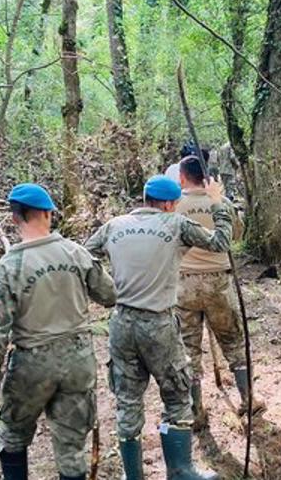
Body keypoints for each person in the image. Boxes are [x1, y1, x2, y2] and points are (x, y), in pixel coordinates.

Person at [85, 175, 229, 480]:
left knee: (127, 398)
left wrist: (107, 291)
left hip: (122, 323)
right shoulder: (175, 224)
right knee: (176, 394)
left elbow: (85, 259)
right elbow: (221, 243)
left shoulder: (114, 226)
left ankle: (132, 475)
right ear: (167, 203)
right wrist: (218, 204)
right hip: (159, 323)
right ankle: (180, 470)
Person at [0, 183, 117, 480]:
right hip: (78, 358)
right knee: (71, 443)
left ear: (15, 218)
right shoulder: (76, 253)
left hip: (32, 363)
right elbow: (109, 294)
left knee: (13, 435)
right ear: (48, 214)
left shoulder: (9, 266)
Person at [175, 156, 264, 429]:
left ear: (181, 178)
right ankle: (248, 399)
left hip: (185, 284)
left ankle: (196, 411)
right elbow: (236, 235)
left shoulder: (174, 206)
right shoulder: (220, 203)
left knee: (188, 349)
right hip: (218, 284)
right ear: (207, 177)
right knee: (234, 342)